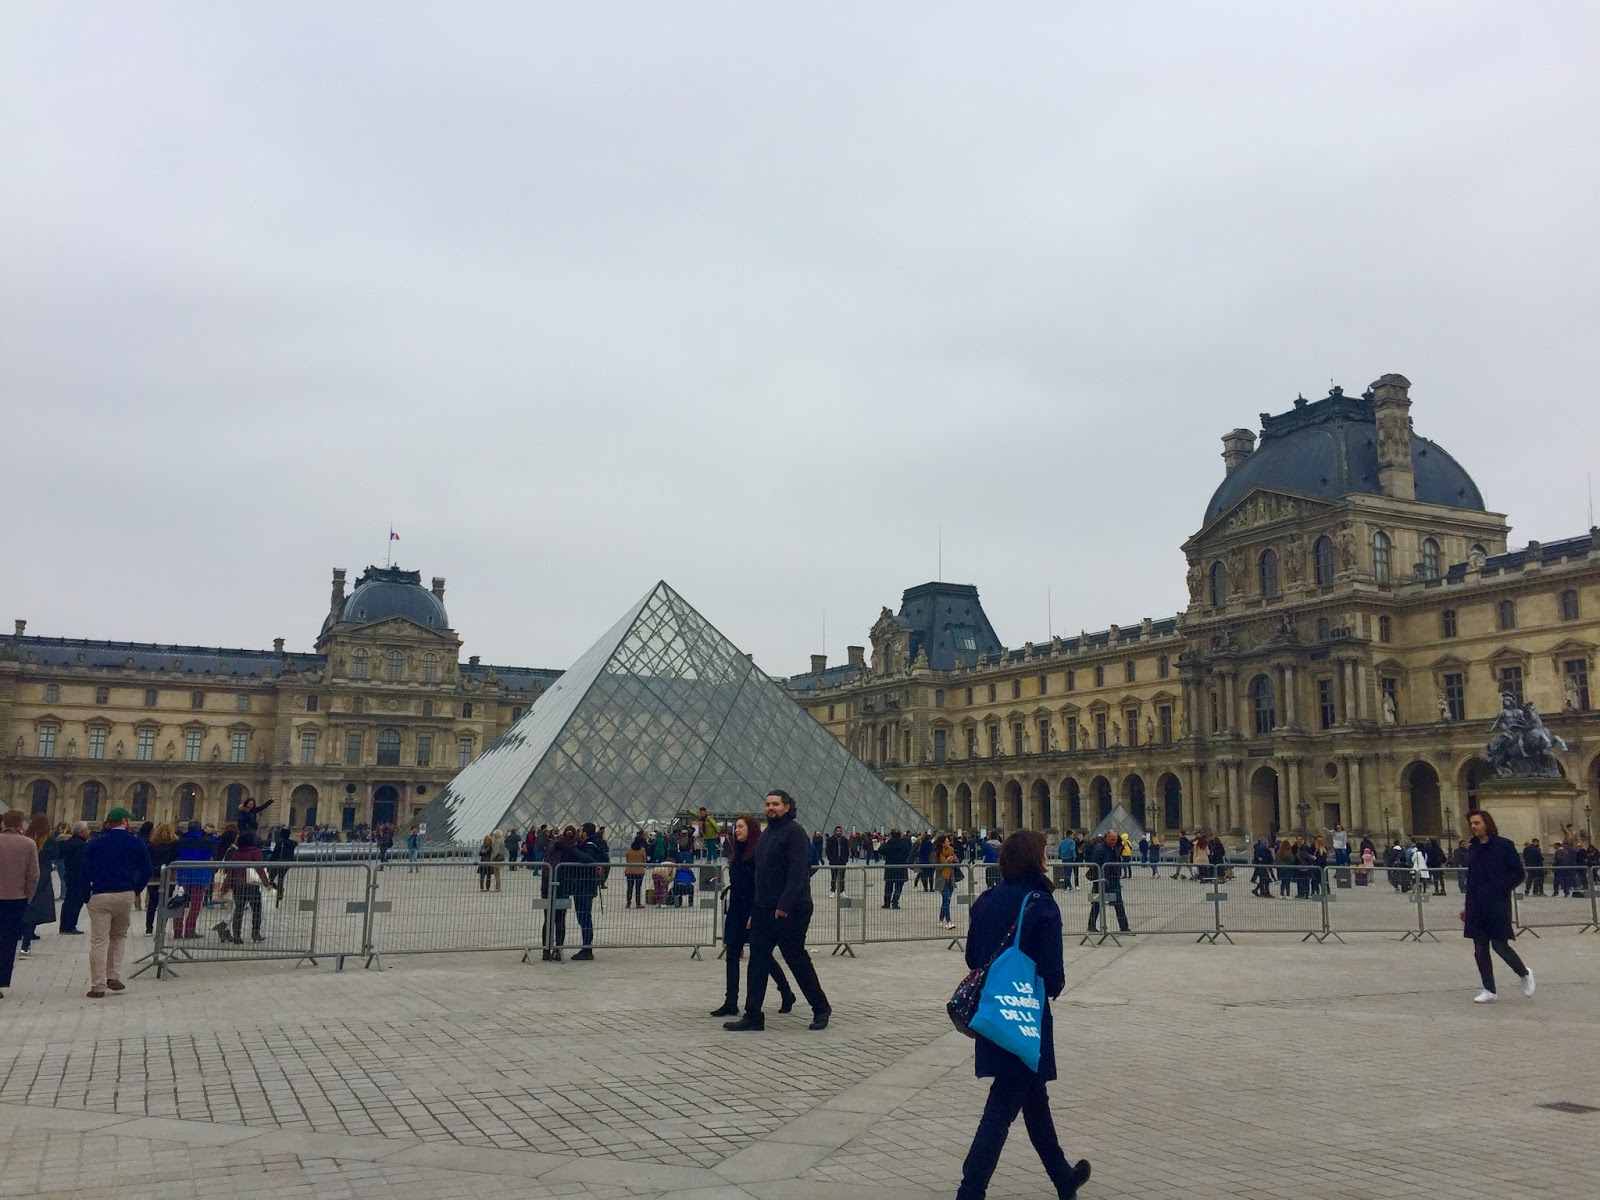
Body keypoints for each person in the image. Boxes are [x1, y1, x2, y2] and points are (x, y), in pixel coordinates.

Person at [955, 830, 1090, 1200]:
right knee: (1002, 1106)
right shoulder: (1041, 903)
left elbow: (972, 957)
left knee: (1033, 1097)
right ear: (1035, 858)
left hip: (993, 1012)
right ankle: (970, 1191)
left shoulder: (986, 900)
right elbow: (1053, 975)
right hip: (1025, 1016)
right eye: (1044, 852)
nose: (1048, 857)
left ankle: (1063, 1177)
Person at [724, 790, 831, 1032]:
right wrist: (755, 911)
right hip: (764, 908)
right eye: (768, 804)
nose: (770, 808)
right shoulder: (766, 835)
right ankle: (753, 1015)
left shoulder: (795, 833)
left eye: (775, 804)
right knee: (757, 961)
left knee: (796, 959)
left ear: (787, 807)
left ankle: (821, 1007)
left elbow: (797, 873)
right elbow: (760, 877)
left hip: (792, 909)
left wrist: (784, 905)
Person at [712, 815, 795, 1018]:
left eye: (741, 827)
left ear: (751, 829)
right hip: (736, 908)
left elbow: (761, 885)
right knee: (732, 953)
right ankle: (731, 1001)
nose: (737, 830)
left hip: (754, 907)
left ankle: (786, 991)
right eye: (736, 827)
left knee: (762, 956)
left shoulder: (759, 853)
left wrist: (754, 913)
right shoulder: (737, 852)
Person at [1462, 809, 1533, 1003]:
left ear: (1487, 823)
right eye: (1471, 823)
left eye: (1477, 823)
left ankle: (1524, 973)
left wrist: (1500, 888)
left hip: (1497, 904)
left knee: (1500, 946)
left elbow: (1518, 873)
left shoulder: (1504, 845)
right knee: (1480, 949)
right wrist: (1467, 906)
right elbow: (1472, 880)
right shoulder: (1473, 848)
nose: (1473, 826)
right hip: (1476, 905)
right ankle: (1489, 990)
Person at [81, 808, 153, 998]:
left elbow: (84, 871)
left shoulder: (95, 843)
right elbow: (147, 870)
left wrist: (85, 895)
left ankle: (98, 985)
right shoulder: (136, 843)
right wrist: (135, 890)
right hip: (125, 894)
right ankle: (113, 975)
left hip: (100, 894)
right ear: (124, 821)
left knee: (99, 941)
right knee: (119, 936)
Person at [0, 809, 42, 1000]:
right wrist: (28, 897)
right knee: (8, 942)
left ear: (4, 823)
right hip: (16, 899)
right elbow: (33, 876)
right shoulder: (28, 844)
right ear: (21, 823)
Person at [172, 821, 219, 938]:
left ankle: (177, 930)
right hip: (200, 876)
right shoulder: (207, 841)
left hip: (183, 876)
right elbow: (216, 848)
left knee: (180, 903)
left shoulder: (181, 841)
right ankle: (190, 929)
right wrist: (210, 835)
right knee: (196, 904)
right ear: (200, 829)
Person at [20, 814, 57, 955]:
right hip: (43, 874)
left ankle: (23, 932)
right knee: (37, 906)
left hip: (26, 871)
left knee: (26, 903)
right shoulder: (49, 839)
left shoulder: (27, 837)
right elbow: (56, 854)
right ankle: (27, 939)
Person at [1082, 830, 1129, 934]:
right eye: (1112, 839)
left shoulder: (1115, 847)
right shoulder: (1099, 848)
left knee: (1118, 903)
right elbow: (1096, 865)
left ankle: (1124, 927)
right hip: (1101, 879)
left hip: (1113, 878)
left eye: (1115, 840)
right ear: (1106, 838)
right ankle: (1091, 925)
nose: (1114, 842)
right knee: (1097, 903)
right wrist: (1100, 879)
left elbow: (1119, 847)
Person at [144, 824, 180, 936]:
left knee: (152, 902)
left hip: (154, 875)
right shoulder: (175, 845)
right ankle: (161, 927)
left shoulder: (151, 845)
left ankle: (149, 928)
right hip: (170, 875)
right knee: (166, 902)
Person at [57, 821, 90, 934]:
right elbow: (82, 863)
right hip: (77, 876)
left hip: (70, 875)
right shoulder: (80, 845)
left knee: (69, 900)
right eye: (87, 830)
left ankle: (65, 925)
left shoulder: (70, 842)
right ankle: (69, 926)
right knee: (75, 902)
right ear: (82, 832)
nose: (88, 832)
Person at [880, 828, 912, 909]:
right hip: (901, 868)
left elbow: (881, 850)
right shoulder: (904, 843)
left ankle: (887, 903)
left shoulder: (889, 843)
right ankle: (895, 903)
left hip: (890, 868)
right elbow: (908, 851)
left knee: (888, 887)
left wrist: (885, 843)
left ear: (891, 835)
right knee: (899, 887)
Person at [937, 834, 962, 928]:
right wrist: (946, 861)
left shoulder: (951, 851)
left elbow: (957, 864)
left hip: (950, 879)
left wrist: (955, 860)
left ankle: (941, 919)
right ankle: (948, 921)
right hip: (942, 879)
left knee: (946, 900)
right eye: (947, 841)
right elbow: (937, 868)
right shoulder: (937, 854)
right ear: (942, 843)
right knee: (946, 900)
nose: (949, 843)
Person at [625, 832, 648, 907]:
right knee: (638, 887)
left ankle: (628, 903)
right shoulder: (642, 850)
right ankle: (638, 903)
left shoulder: (629, 850)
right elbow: (644, 861)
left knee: (629, 887)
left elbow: (627, 860)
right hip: (639, 871)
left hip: (629, 870)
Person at [825, 825, 849, 896]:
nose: (839, 832)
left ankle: (842, 891)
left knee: (842, 877)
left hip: (842, 861)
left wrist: (845, 859)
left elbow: (847, 851)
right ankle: (832, 890)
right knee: (833, 877)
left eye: (840, 831)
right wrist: (830, 859)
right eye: (837, 831)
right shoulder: (830, 840)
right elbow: (828, 851)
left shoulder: (844, 840)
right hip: (833, 861)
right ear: (835, 831)